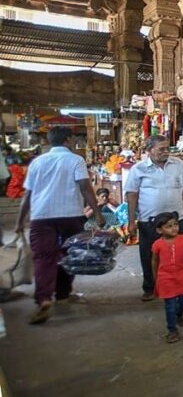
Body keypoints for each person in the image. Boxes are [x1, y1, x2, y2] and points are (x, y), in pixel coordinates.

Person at [15, 126, 104, 324]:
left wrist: (19, 222)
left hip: (41, 217)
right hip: (70, 216)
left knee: (43, 258)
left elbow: (27, 196)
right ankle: (63, 294)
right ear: (68, 140)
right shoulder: (75, 160)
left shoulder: (37, 162)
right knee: (69, 254)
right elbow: (85, 187)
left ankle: (44, 298)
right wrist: (97, 213)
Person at [124, 135, 183, 302]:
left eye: (167, 148)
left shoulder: (178, 165)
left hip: (177, 220)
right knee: (150, 255)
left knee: (179, 256)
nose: (166, 152)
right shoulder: (139, 169)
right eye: (161, 149)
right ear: (149, 151)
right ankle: (151, 288)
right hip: (150, 220)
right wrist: (131, 221)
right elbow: (132, 196)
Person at [151, 211, 183, 344]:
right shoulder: (157, 245)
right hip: (165, 278)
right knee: (170, 306)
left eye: (175, 225)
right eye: (169, 226)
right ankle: (172, 330)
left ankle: (179, 314)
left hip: (182, 275)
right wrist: (156, 278)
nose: (174, 228)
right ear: (159, 230)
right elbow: (154, 261)